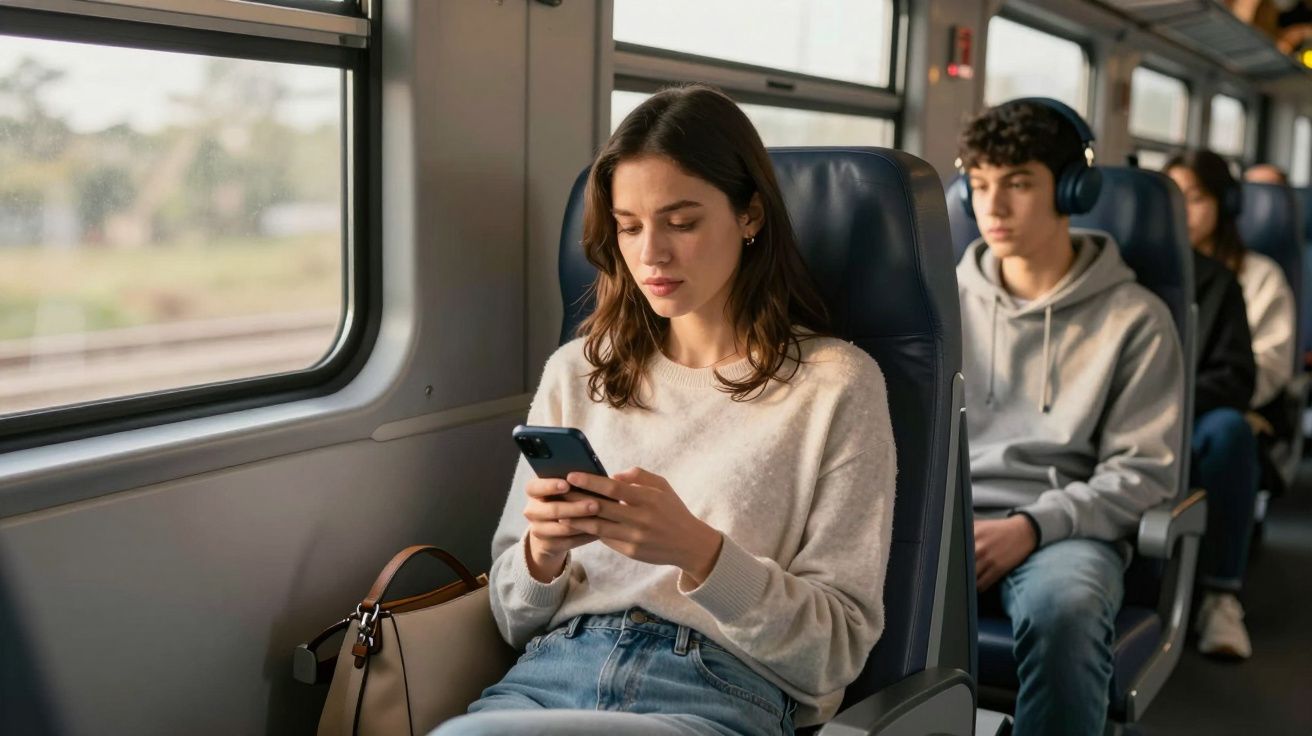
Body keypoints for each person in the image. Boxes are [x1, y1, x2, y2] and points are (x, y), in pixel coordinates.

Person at [434, 84, 896, 736]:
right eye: (629, 228)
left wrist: (701, 553)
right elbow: (513, 618)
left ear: (750, 217)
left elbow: (836, 652)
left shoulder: (838, 386)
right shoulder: (580, 370)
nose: (651, 254)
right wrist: (541, 553)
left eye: (681, 223)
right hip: (549, 679)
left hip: (715, 693)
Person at [957, 98, 1184, 736]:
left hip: (1065, 527)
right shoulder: (938, 302)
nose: (993, 207)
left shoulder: (1136, 319)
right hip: (949, 520)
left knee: (1067, 609)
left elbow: (1144, 470)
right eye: (979, 186)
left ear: (1073, 191)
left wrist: (1032, 525)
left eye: (1019, 184)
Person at [1166, 150, 1297, 658]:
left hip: (1229, 406)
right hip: (1165, 407)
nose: (1184, 212)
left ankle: (1221, 595)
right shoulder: (1137, 272)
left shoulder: (1256, 275)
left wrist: (1187, 401)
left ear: (1225, 205)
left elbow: (1267, 368)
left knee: (1228, 432)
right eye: (1173, 199)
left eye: (1196, 199)